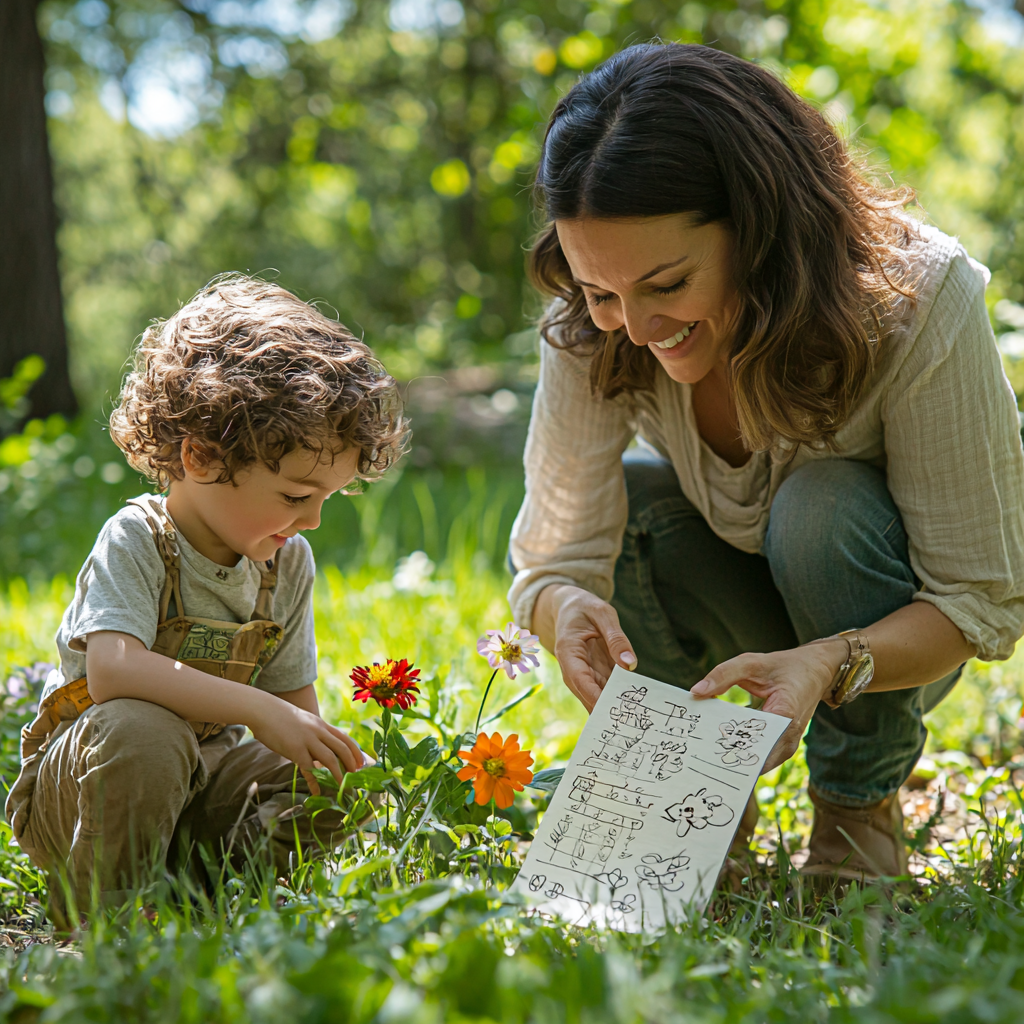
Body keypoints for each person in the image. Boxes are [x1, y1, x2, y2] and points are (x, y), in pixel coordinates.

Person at [508, 43, 1024, 883]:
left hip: (885, 637)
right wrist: (562, 606)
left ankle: (858, 808)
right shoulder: (592, 324)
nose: (632, 328)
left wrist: (828, 660)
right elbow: (551, 559)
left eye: (666, 284)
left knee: (822, 504)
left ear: (761, 229)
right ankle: (696, 802)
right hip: (739, 611)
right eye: (601, 290)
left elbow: (977, 601)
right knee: (637, 509)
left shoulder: (920, 298)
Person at [6, 275, 406, 923]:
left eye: (327, 500)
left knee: (329, 779)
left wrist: (333, 763)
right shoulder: (139, 538)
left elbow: (293, 720)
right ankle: (98, 922)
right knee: (146, 730)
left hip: (202, 790)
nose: (312, 522)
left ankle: (215, 893)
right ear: (200, 457)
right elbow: (113, 672)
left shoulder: (285, 563)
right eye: (297, 497)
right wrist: (257, 709)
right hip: (90, 793)